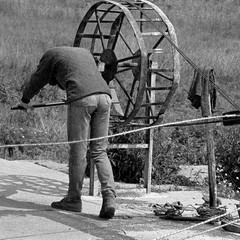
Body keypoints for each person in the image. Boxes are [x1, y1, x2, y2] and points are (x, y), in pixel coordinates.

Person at [17, 46, 116, 218]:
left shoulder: (49, 55)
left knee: (78, 151)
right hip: (105, 97)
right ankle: (110, 199)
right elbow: (82, 77)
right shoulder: (83, 53)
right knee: (100, 151)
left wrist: (25, 100)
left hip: (82, 99)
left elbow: (38, 79)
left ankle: (73, 200)